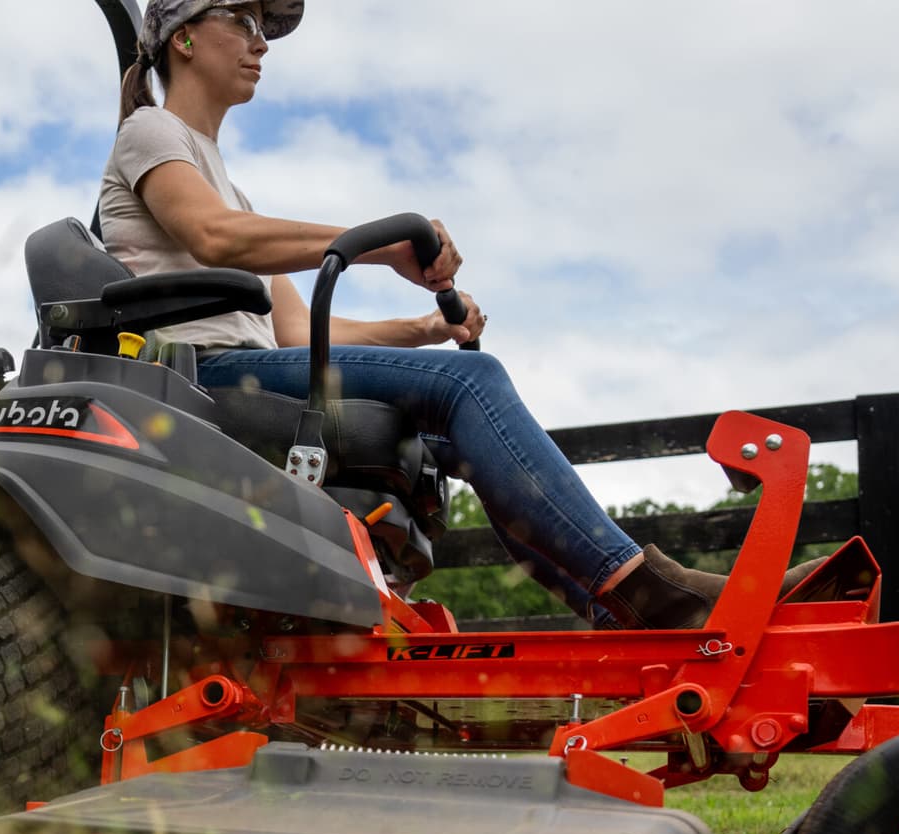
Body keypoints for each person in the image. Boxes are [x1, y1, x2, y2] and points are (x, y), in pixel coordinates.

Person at [101, 0, 814, 628]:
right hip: (196, 378)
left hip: (253, 366)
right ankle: (648, 593)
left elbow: (293, 331)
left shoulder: (231, 189)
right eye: (243, 20)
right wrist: (379, 246)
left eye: (264, 28)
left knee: (462, 426)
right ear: (183, 38)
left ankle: (614, 609)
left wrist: (424, 331)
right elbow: (214, 237)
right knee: (472, 383)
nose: (261, 42)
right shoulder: (150, 132)